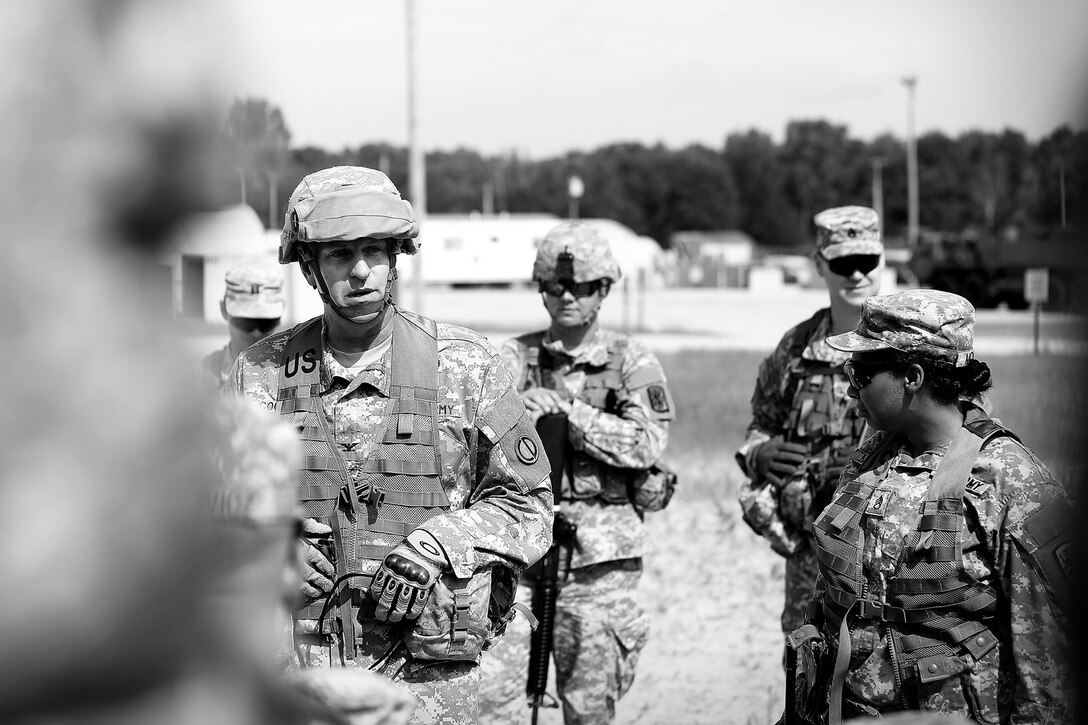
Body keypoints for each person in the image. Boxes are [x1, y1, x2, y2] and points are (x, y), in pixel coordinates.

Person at [225, 166, 553, 725]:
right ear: (309, 266)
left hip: (427, 683)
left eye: (375, 251)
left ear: (396, 255)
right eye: (338, 255)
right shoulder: (258, 373)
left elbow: (529, 506)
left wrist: (439, 542)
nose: (360, 272)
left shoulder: (465, 366)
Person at [786, 289, 1074, 724]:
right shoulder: (873, 458)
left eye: (861, 374)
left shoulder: (1008, 480)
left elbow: (1047, 662)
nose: (848, 389)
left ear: (913, 376)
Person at [477, 220, 676, 725]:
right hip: (518, 559)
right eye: (553, 285)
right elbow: (468, 438)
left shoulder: (631, 362)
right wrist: (519, 412)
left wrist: (570, 412)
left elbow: (647, 443)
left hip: (598, 567)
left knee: (589, 709)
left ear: (604, 289)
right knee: (496, 702)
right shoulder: (510, 359)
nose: (566, 296)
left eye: (581, 286)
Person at [736, 205, 885, 640]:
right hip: (810, 552)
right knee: (806, 667)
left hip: (889, 547)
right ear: (820, 264)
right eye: (843, 263)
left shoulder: (909, 345)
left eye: (867, 262)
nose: (856, 275)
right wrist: (760, 453)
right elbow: (760, 425)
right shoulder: (796, 349)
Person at [203, 260, 286, 389]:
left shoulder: (296, 373)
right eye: (246, 322)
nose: (256, 332)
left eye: (265, 323)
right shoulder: (198, 377)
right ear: (224, 310)